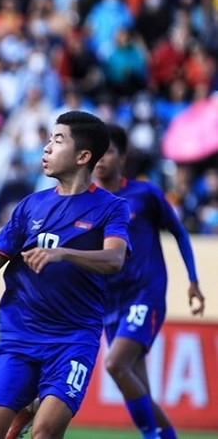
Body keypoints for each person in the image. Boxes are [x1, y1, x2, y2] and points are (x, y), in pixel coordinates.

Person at [0, 111, 131, 439]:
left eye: (58, 140)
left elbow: (115, 259)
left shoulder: (111, 207)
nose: (46, 148)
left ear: (83, 156)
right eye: (49, 139)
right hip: (19, 337)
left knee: (45, 432)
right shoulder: (31, 206)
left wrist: (64, 253)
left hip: (73, 339)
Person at [94, 123, 205, 439]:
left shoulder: (144, 194)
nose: (102, 159)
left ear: (123, 156)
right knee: (136, 384)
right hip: (110, 304)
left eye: (110, 151)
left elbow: (179, 232)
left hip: (145, 295)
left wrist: (193, 280)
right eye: (97, 153)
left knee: (116, 365)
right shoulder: (88, 202)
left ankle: (151, 436)